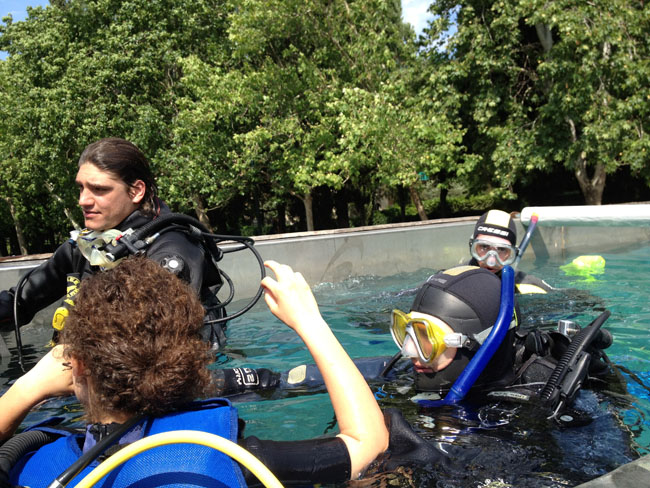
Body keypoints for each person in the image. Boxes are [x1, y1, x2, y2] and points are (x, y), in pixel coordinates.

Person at [0, 256, 398, 486]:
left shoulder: (27, 460)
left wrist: (25, 388)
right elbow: (369, 443)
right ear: (191, 357)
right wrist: (311, 322)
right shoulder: (228, 456)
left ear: (77, 364)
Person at [215, 266, 615, 421]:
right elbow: (298, 378)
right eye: (409, 332)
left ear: (482, 344)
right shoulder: (417, 369)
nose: (410, 352)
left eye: (427, 339)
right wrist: (213, 383)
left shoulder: (545, 406)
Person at [0, 137, 226, 349]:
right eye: (81, 187)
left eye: (99, 189)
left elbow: (148, 349)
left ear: (136, 191)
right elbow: (19, 301)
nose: (83, 200)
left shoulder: (172, 250)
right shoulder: (85, 246)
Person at [468, 209, 555, 294]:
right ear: (473, 247)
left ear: (512, 254)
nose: (491, 261)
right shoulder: (455, 278)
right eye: (484, 246)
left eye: (502, 249)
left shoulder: (532, 287)